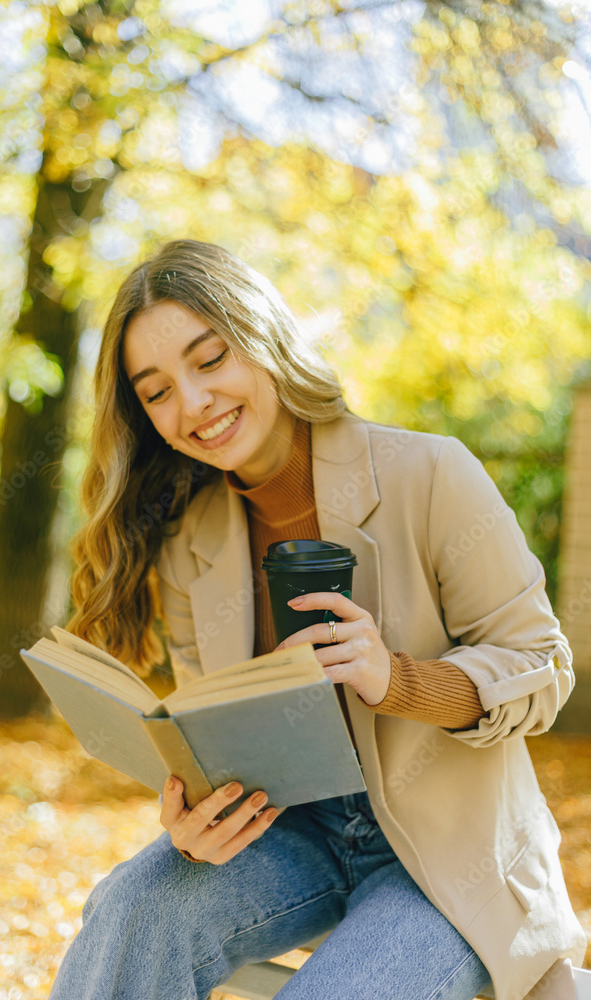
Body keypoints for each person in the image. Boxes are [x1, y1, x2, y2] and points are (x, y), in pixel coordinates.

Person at [50, 239, 585, 1000]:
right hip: (289, 833)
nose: (193, 403)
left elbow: (541, 664)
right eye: (156, 390)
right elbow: (222, 730)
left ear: (262, 336)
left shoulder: (428, 474)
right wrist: (201, 809)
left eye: (210, 360)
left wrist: (397, 679)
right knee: (132, 911)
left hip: (447, 854)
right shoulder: (187, 540)